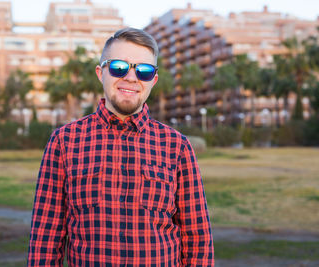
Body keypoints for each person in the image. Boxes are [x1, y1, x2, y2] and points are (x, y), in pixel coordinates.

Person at [28, 27, 214, 266]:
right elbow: (45, 239)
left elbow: (197, 237)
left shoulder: (177, 146)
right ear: (100, 72)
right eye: (119, 67)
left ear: (153, 80)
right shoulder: (64, 142)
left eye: (144, 71)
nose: (131, 78)